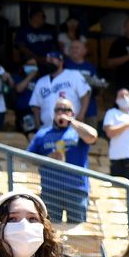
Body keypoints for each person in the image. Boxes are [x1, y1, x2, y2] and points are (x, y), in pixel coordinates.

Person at [28, 96, 98, 224]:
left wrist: (71, 122)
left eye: (66, 110)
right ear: (54, 113)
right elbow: (28, 158)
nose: (61, 112)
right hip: (51, 189)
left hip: (76, 188)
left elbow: (92, 136)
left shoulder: (77, 131)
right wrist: (48, 158)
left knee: (78, 232)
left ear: (73, 113)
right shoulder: (43, 134)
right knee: (50, 231)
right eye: (58, 110)